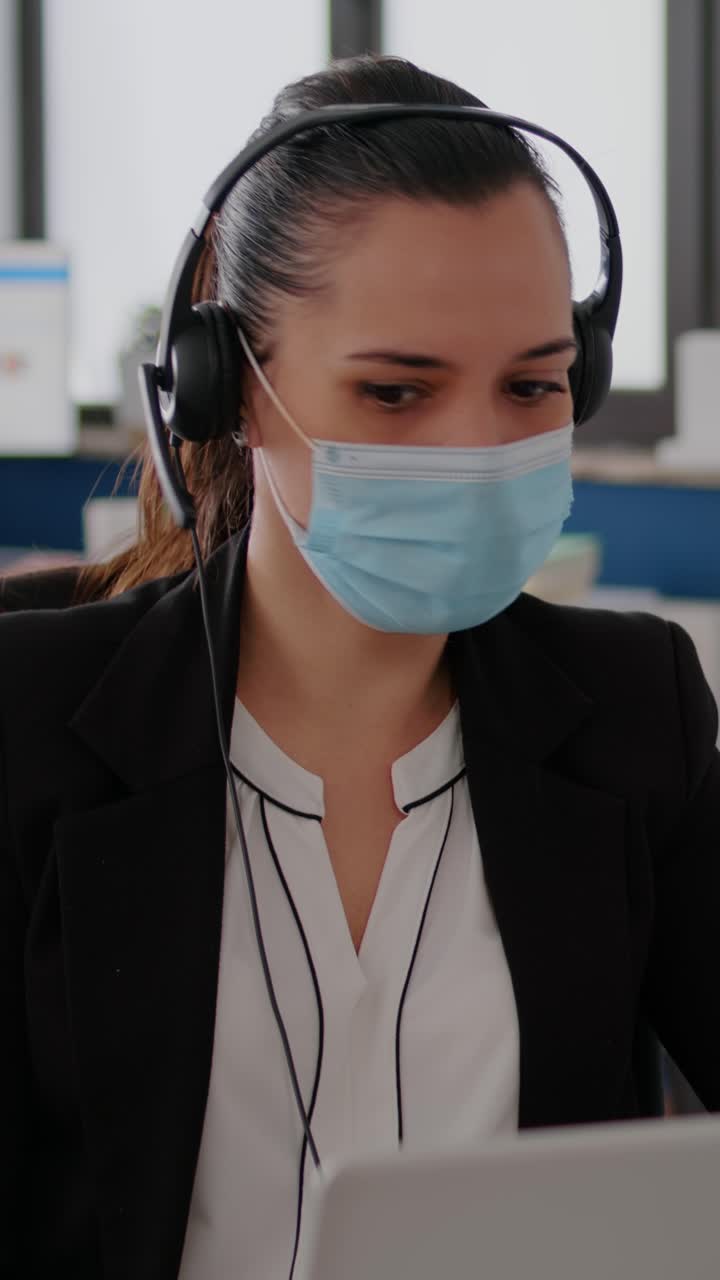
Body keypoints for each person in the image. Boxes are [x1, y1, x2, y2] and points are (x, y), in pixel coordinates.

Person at [2, 52, 719, 1280]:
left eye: (534, 384)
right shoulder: (29, 717)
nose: (479, 448)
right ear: (230, 386)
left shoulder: (634, 712)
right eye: (396, 391)